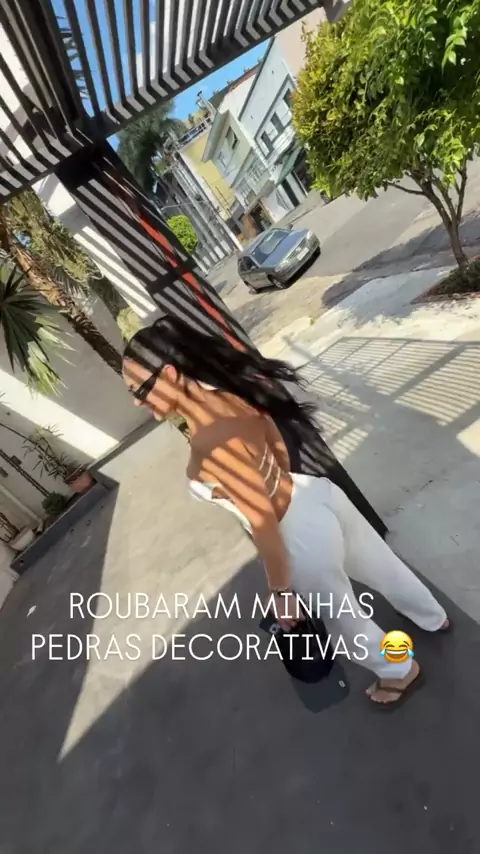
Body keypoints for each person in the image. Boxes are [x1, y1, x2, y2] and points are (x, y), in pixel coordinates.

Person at [122, 315, 450, 709]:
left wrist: (280, 592)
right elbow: (274, 438)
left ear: (170, 374)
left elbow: (262, 521)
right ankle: (433, 617)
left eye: (141, 389)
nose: (137, 401)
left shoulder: (210, 441)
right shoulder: (226, 395)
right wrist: (277, 479)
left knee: (344, 620)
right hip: (314, 494)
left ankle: (399, 671)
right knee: (382, 565)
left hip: (295, 532)